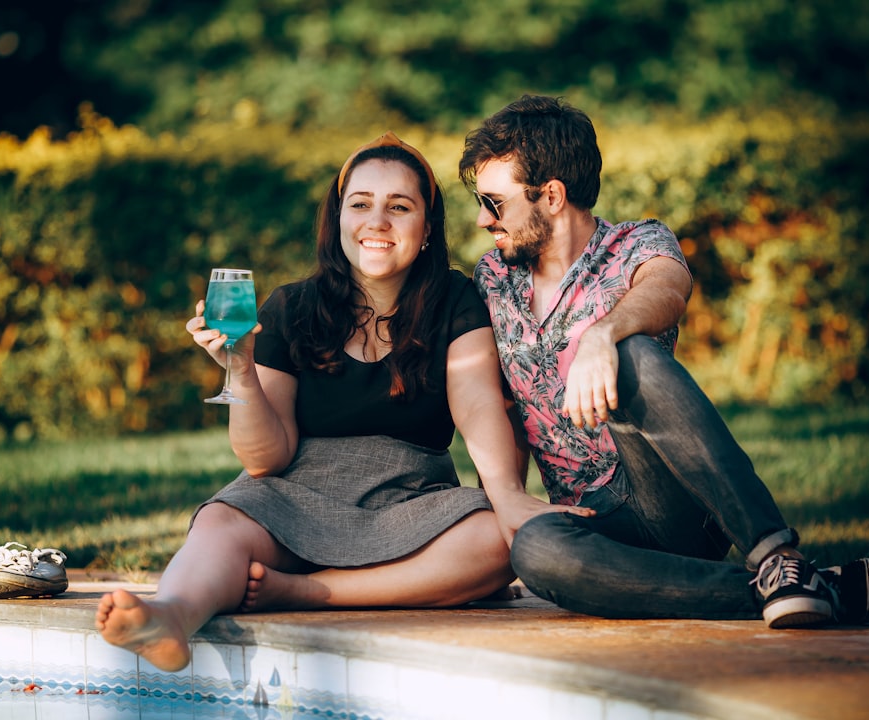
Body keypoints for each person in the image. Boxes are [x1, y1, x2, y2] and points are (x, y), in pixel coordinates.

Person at [95, 131, 587, 672]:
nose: (377, 222)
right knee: (222, 525)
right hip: (294, 496)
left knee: (497, 542)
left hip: (409, 502)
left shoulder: (455, 298)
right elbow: (264, 460)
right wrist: (240, 369)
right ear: (339, 221)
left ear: (426, 229)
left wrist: (509, 498)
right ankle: (170, 616)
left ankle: (309, 591)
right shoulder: (291, 306)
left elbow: (476, 406)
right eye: (360, 205)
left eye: (400, 207)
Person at [458, 95, 869, 629]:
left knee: (630, 352)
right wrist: (506, 506)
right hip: (591, 519)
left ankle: (773, 554)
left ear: (551, 195)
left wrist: (603, 335)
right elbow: (503, 409)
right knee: (535, 550)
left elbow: (668, 289)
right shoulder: (494, 279)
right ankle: (799, 590)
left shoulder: (638, 243)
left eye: (494, 203)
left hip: (676, 501)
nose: (480, 220)